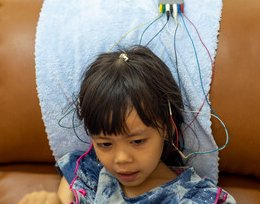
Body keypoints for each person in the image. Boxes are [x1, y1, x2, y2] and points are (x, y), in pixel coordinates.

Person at [19, 46, 236, 204]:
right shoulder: (88, 175)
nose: (121, 158)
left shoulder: (196, 197)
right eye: (105, 144)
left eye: (137, 141)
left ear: (168, 128)